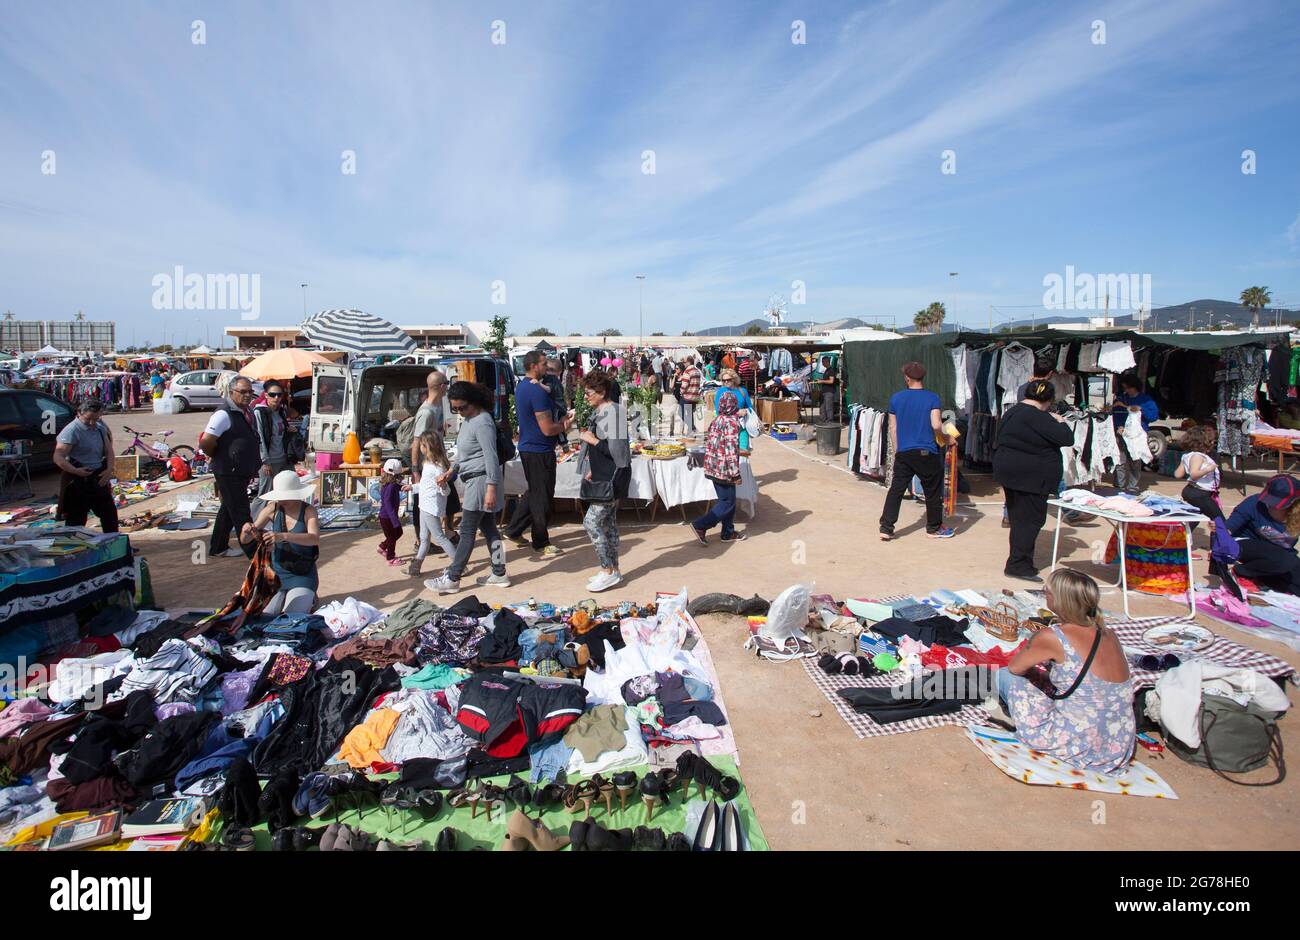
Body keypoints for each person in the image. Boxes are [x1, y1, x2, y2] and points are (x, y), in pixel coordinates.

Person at [996, 568, 1135, 774]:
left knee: (1005, 676)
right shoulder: (1109, 633)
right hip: (1117, 743)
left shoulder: (1054, 636)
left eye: (1047, 591)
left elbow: (1015, 667)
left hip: (1078, 744)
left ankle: (1021, 718)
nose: (1045, 594)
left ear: (1060, 600)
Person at [425, 381, 509, 594]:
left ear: (474, 402)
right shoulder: (471, 421)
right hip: (474, 479)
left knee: (467, 530)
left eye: (463, 407)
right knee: (489, 529)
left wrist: (491, 486)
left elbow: (491, 456)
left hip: (481, 482)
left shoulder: (482, 422)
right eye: (456, 408)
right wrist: (450, 472)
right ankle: (499, 573)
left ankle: (453, 577)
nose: (460, 412)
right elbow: (465, 455)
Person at [993, 380, 1075, 582]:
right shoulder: (1040, 417)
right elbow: (1067, 438)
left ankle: (1018, 562)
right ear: (1049, 399)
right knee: (1029, 521)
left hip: (1011, 473)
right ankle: (1019, 565)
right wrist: (1061, 421)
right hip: (1031, 477)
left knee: (1020, 518)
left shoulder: (1012, 412)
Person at [505, 350, 575, 557]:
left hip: (531, 448)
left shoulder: (524, 386)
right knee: (542, 497)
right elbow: (547, 429)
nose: (547, 367)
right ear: (534, 366)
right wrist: (566, 425)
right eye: (544, 364)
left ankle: (514, 529)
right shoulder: (537, 392)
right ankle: (540, 541)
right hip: (538, 450)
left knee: (535, 492)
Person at [879, 362, 955, 541]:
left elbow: (893, 427)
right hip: (926, 451)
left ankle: (886, 527)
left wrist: (898, 450)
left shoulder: (896, 398)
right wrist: (948, 439)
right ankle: (933, 528)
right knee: (932, 490)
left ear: (907, 378)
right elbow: (936, 424)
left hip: (904, 452)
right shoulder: (932, 398)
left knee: (896, 489)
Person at [237, 469, 321, 616]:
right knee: (265, 615)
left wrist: (283, 536)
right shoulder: (272, 509)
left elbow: (314, 538)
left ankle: (310, 596)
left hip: (302, 574)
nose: (282, 501)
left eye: (286, 497)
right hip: (276, 576)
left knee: (292, 614)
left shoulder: (309, 511)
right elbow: (246, 539)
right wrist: (246, 530)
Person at [577, 370, 631, 591]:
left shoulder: (613, 412)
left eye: (588, 393)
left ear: (601, 392)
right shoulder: (604, 411)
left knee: (592, 522)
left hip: (612, 478)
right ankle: (612, 571)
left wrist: (592, 439)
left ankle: (608, 570)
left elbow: (617, 452)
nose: (585, 396)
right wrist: (593, 468)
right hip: (604, 476)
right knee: (608, 525)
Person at [201, 376, 261, 559]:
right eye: (242, 392)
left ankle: (218, 547)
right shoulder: (223, 414)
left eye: (250, 392)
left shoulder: (245, 411)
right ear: (232, 391)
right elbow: (206, 442)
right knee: (241, 512)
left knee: (228, 508)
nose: (247, 395)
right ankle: (255, 553)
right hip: (229, 471)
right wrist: (221, 456)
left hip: (239, 470)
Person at [691, 390, 748, 545]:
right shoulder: (731, 423)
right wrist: (735, 474)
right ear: (734, 405)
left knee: (728, 500)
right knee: (727, 502)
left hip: (713, 466)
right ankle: (700, 525)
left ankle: (728, 532)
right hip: (724, 469)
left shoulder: (718, 419)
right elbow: (730, 450)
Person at [1227, 474, 1300, 595]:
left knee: (1295, 582)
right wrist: (1220, 533)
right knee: (1285, 561)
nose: (1271, 504)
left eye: (1276, 503)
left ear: (1293, 502)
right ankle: (1239, 571)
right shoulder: (1254, 503)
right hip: (1246, 545)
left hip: (1279, 556)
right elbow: (1229, 527)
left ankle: (1261, 578)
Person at [53, 399, 118, 533]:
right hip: (79, 481)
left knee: (109, 516)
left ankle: (116, 547)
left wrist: (109, 469)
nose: (93, 423)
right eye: (89, 419)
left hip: (99, 478)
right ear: (79, 414)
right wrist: (75, 470)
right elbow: (58, 457)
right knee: (76, 520)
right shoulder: (71, 430)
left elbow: (109, 451)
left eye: (97, 418)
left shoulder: (100, 428)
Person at [406, 433, 457, 576]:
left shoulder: (438, 468)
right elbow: (424, 485)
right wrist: (413, 488)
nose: (420, 448)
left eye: (422, 445)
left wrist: (442, 486)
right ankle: (416, 567)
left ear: (428, 447)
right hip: (424, 506)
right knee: (424, 538)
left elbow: (446, 492)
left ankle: (458, 565)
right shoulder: (428, 464)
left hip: (431, 508)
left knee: (439, 537)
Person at [1111, 373, 1159, 494]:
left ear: (1135, 386)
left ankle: (1133, 486)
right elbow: (1116, 414)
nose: (1126, 390)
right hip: (1121, 434)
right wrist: (1118, 427)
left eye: (1128, 387)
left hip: (1138, 435)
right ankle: (1119, 485)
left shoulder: (1145, 399)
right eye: (1124, 388)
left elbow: (1153, 416)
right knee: (1120, 459)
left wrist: (1141, 410)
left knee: (1135, 460)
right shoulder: (1121, 398)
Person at [1174, 424, 1223, 527]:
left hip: (1191, 491)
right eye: (1211, 441)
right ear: (1203, 443)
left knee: (1193, 520)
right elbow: (1194, 474)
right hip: (1199, 493)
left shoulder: (1187, 456)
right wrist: (1207, 469)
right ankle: (1225, 542)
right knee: (1220, 521)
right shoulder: (1198, 456)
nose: (1212, 444)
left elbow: (1178, 474)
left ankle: (1183, 540)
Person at [253, 380, 290, 501]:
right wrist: (265, 461)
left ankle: (278, 518)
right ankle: (257, 518)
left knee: (286, 491)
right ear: (265, 395)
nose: (276, 398)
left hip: (283, 458)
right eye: (273, 394)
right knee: (266, 494)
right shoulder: (259, 412)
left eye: (279, 395)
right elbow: (260, 438)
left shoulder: (281, 411)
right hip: (269, 461)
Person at [376, 458, 406, 565]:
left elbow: (395, 487)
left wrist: (402, 487)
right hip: (388, 517)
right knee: (392, 537)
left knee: (397, 533)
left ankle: (382, 547)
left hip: (386, 517)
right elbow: (388, 503)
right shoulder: (391, 486)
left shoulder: (389, 484)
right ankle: (391, 558)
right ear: (395, 475)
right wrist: (395, 520)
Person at [678, 356, 702, 433]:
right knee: (690, 414)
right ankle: (691, 430)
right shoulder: (697, 371)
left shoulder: (687, 371)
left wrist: (681, 392)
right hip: (695, 396)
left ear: (688, 362)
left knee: (680, 412)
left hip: (687, 396)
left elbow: (684, 385)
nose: (683, 364)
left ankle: (692, 427)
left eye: (684, 362)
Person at [817, 356, 839, 423]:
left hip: (829, 392)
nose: (822, 364)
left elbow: (831, 381)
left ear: (827, 362)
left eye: (823, 362)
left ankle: (830, 421)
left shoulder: (831, 370)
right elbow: (827, 380)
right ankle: (823, 421)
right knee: (822, 408)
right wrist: (820, 380)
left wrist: (822, 381)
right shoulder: (826, 370)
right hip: (824, 392)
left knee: (828, 408)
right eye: (822, 362)